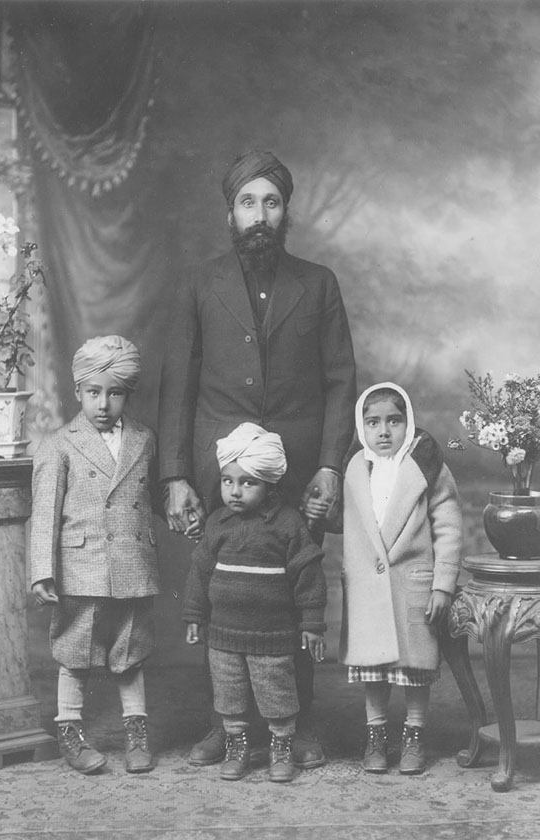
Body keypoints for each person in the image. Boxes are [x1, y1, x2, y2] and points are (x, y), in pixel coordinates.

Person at [159, 149, 356, 767]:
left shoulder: (317, 282)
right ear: (230, 214)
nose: (260, 215)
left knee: (294, 593)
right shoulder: (201, 282)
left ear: (285, 211)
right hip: (223, 472)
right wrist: (175, 475)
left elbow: (341, 381)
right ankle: (227, 725)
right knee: (224, 594)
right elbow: (178, 383)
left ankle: (300, 722)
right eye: (248, 202)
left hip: (299, 470)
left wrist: (330, 465)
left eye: (271, 202)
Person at [306, 382, 463, 774]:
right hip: (368, 589)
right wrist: (321, 513)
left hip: (412, 583)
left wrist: (442, 584)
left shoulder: (426, 467)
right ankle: (375, 735)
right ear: (362, 428)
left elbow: (448, 526)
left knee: (415, 669)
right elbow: (344, 520)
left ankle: (414, 734)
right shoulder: (354, 468)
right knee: (374, 668)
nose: (384, 431)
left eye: (394, 421)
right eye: (373, 422)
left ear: (408, 423)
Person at [30, 335, 160, 775]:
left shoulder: (144, 438)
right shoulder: (59, 444)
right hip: (81, 566)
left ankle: (137, 734)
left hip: (133, 562)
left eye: (115, 393)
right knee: (76, 650)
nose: (103, 404)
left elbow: (150, 499)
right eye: (93, 392)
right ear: (77, 391)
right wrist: (42, 571)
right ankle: (70, 733)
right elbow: (45, 514)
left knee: (131, 649)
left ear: (128, 393)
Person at [183, 423, 326, 783]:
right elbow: (200, 571)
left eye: (248, 483)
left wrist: (311, 623)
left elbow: (308, 575)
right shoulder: (217, 523)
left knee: (277, 694)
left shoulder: (288, 524)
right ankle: (237, 745)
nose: (235, 491)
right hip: (224, 635)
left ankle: (281, 746)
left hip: (272, 636)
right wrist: (195, 615)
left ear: (270, 485)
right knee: (229, 694)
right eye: (228, 481)